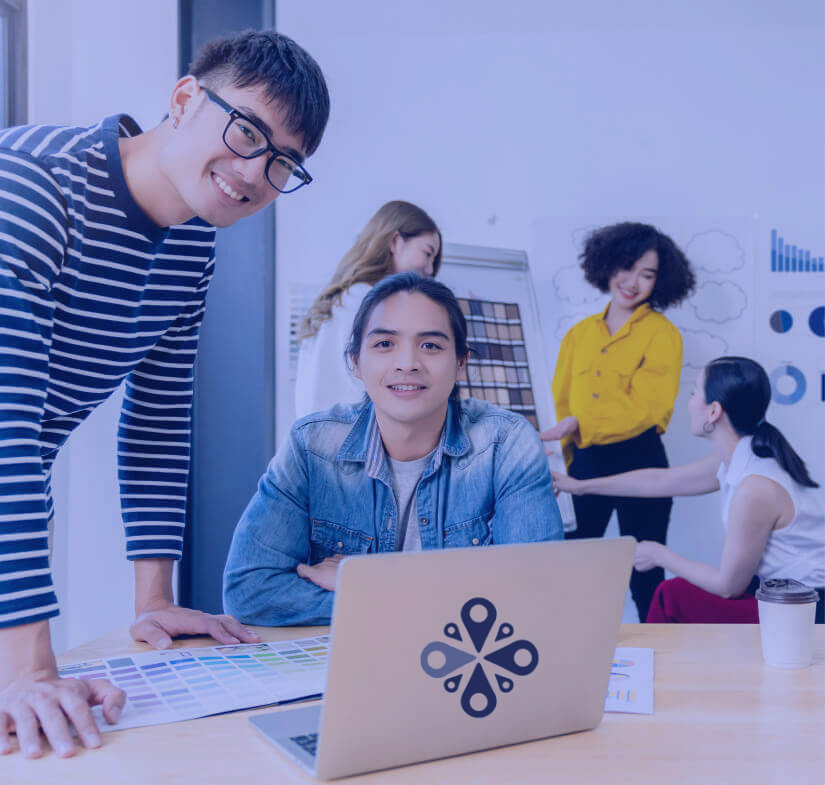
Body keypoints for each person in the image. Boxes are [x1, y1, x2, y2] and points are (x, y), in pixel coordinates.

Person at [0, 31, 329, 758]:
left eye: (283, 163)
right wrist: (27, 666)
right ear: (184, 99)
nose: (255, 173)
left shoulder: (191, 243)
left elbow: (157, 416)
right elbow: (4, 427)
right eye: (247, 132)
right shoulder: (32, 185)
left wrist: (154, 600)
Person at [225, 272, 564, 625]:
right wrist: (431, 600)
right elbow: (249, 591)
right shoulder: (312, 446)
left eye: (430, 346)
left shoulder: (507, 444)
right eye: (385, 344)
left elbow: (536, 591)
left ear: (461, 363)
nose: (407, 363)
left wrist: (374, 585)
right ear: (355, 362)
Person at [552, 357, 825, 623]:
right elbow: (658, 481)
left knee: (671, 596)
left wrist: (660, 555)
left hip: (808, 611)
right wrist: (580, 487)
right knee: (674, 594)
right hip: (783, 597)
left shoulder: (755, 487)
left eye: (694, 393)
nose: (689, 402)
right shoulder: (739, 459)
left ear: (714, 411)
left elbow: (729, 586)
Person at [540, 222, 695, 622]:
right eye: (627, 268)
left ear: (660, 282)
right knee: (569, 563)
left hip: (641, 460)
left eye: (648, 274)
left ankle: (659, 649)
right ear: (608, 265)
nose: (633, 282)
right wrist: (566, 456)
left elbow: (649, 409)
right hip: (584, 460)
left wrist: (578, 424)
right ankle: (564, 643)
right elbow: (560, 400)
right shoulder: (578, 335)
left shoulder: (663, 334)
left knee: (644, 572)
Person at [295, 200, 441, 418]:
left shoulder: (342, 298)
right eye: (427, 254)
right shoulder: (367, 301)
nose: (430, 270)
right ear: (396, 242)